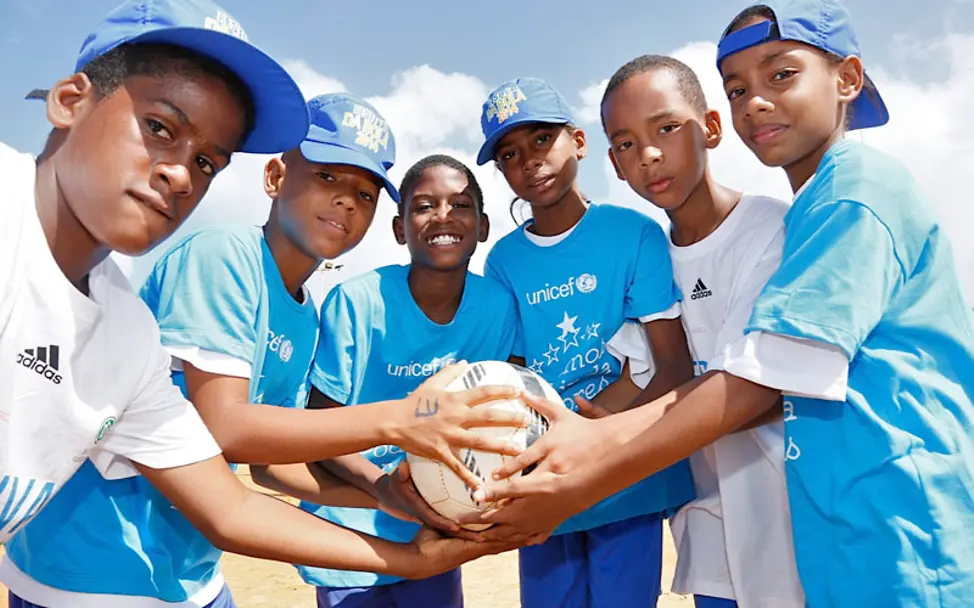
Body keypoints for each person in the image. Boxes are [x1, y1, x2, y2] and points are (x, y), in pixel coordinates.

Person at [0, 1, 522, 605]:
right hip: (93, 576)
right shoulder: (224, 255)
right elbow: (228, 425)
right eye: (160, 127)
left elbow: (246, 484)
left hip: (187, 575)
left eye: (206, 161)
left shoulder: (151, 328)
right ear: (275, 178)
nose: (179, 174)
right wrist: (403, 420)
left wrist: (391, 502)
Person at [466, 2, 974, 606]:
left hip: (898, 526)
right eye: (738, 89)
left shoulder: (842, 200)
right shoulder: (653, 248)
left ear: (847, 80)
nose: (755, 101)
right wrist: (576, 435)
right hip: (796, 527)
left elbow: (760, 385)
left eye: (781, 74)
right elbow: (648, 377)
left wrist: (587, 471)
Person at [255, 153, 519, 608]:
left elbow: (500, 419)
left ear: (483, 226)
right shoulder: (356, 301)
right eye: (423, 206)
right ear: (399, 229)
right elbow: (321, 428)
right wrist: (384, 488)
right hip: (349, 537)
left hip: (434, 528)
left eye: (460, 205)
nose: (443, 216)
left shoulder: (497, 307)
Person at [477, 77, 696, 608]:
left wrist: (605, 449)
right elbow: (514, 378)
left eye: (540, 140)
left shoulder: (634, 234)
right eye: (509, 153)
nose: (528, 160)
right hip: (546, 480)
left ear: (578, 141)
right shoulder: (503, 261)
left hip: (626, 476)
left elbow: (673, 367)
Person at [599, 54, 803, 608]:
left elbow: (760, 389)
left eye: (666, 128)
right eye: (625, 144)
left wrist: (607, 443)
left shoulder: (770, 229)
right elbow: (637, 380)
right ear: (615, 166)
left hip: (790, 525)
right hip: (708, 531)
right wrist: (574, 431)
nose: (649, 155)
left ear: (710, 128)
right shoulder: (645, 260)